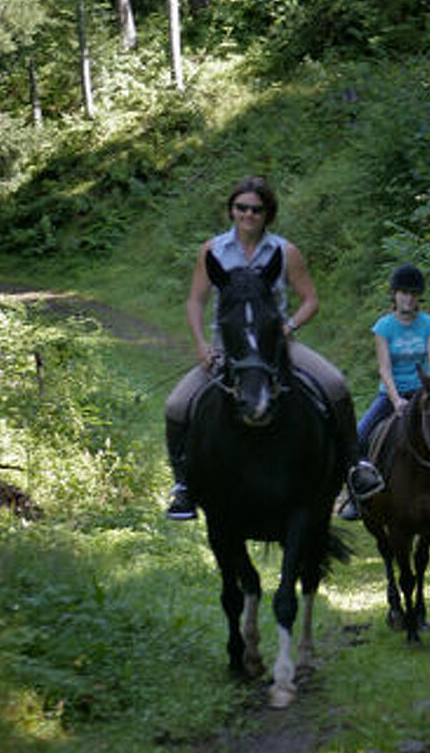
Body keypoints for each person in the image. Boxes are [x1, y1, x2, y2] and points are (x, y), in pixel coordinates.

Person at [164, 175, 383, 520]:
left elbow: (310, 300)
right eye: (241, 207)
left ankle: (355, 466)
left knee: (335, 384)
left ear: (267, 213)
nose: (248, 214)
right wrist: (202, 344)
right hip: (229, 348)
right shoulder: (212, 250)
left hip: (278, 346)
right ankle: (183, 488)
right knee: (176, 405)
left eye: (256, 209)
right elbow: (195, 301)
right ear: (231, 210)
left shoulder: (285, 251)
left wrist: (289, 325)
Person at [338, 263, 430, 519]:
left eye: (413, 293)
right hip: (392, 394)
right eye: (403, 293)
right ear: (394, 295)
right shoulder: (383, 327)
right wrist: (396, 400)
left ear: (418, 296)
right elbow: (385, 369)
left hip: (426, 394)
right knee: (360, 436)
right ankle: (356, 498)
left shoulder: (429, 324)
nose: (408, 298)